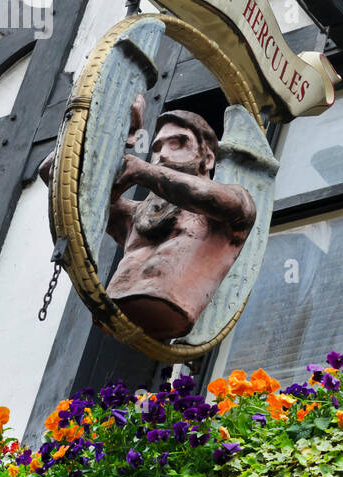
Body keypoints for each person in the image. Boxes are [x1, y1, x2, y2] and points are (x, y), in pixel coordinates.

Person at [40, 99, 256, 340]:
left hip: (173, 307)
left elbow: (202, 195)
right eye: (156, 148)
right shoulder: (134, 216)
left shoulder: (232, 207)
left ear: (207, 159)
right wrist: (113, 123)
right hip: (115, 311)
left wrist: (141, 171)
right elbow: (54, 171)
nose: (162, 155)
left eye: (177, 143)